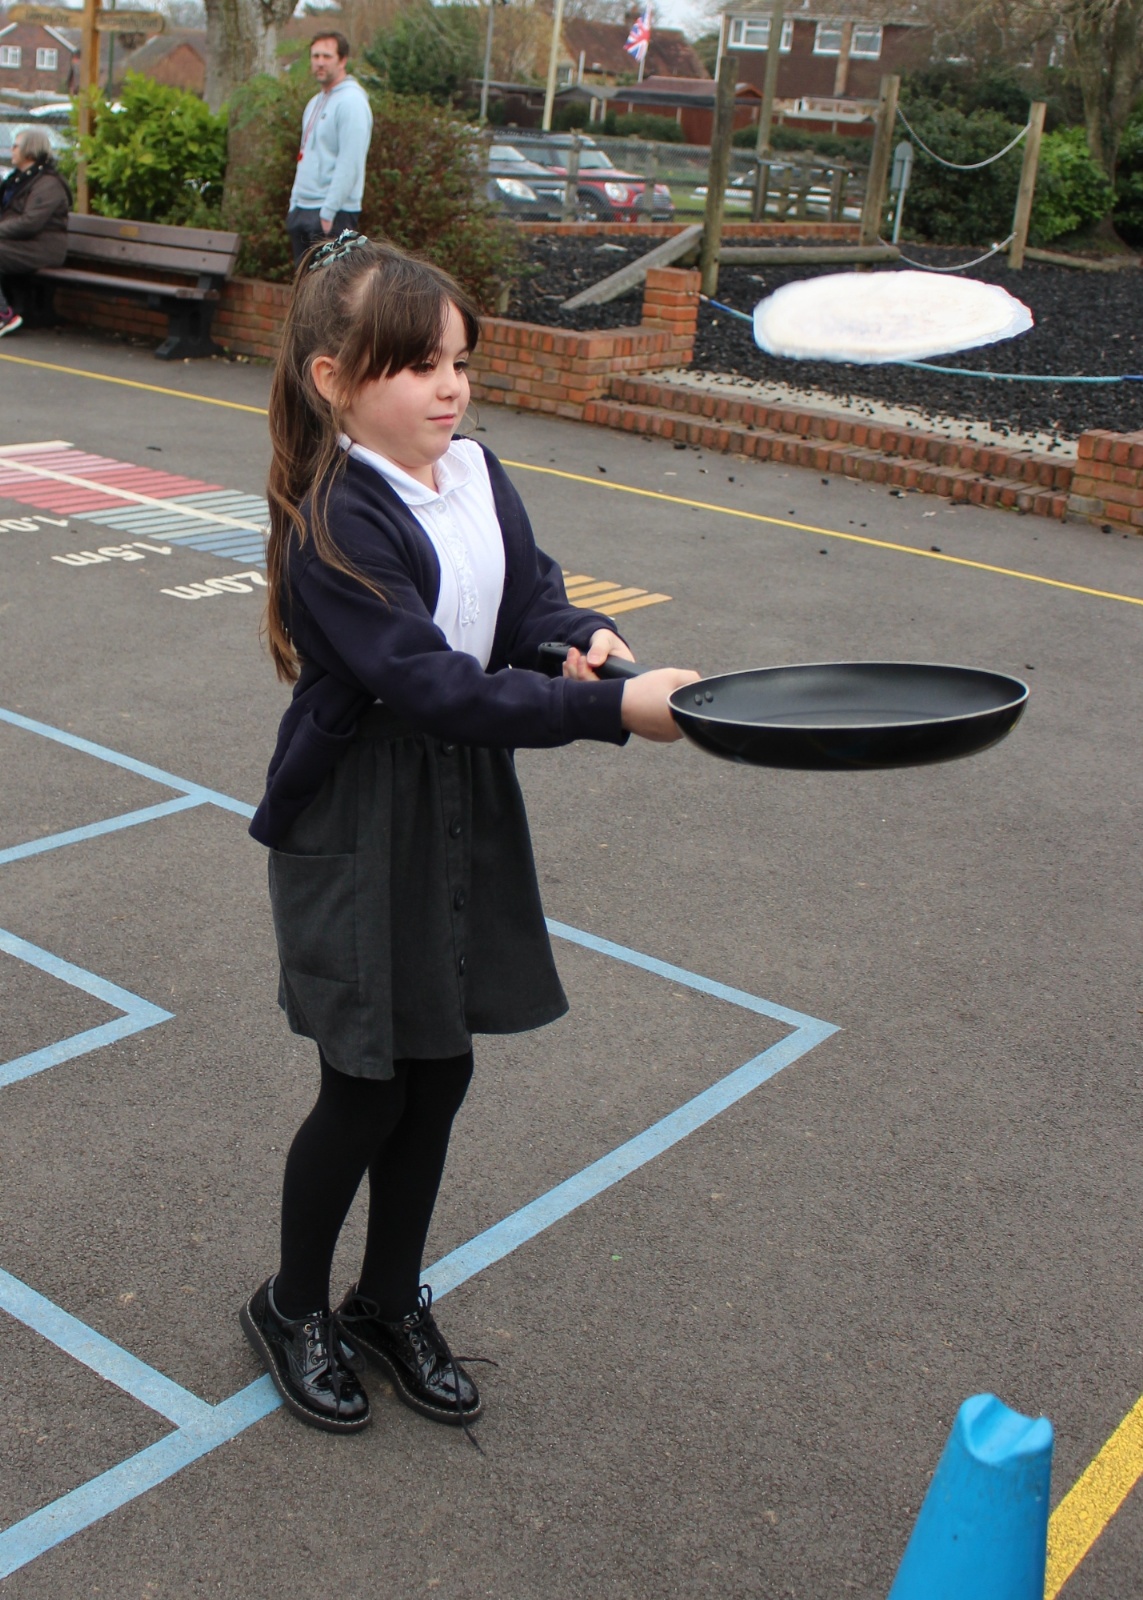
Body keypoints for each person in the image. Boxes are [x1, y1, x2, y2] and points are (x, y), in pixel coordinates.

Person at [241, 231, 699, 1435]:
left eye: (460, 362)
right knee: (365, 1084)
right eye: (419, 366)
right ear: (336, 379)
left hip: (460, 792)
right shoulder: (333, 524)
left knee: (440, 1071)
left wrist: (579, 639)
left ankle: (388, 1299)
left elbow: (526, 599)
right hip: (361, 809)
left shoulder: (476, 475)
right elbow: (432, 683)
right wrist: (612, 711)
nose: (451, 388)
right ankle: (292, 1305)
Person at [286, 33, 373, 268]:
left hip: (333, 214)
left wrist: (328, 213)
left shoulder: (352, 103)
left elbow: (350, 162)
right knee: (304, 285)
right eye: (315, 56)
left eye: (327, 56)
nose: (320, 62)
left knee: (330, 286)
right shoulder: (314, 102)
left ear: (342, 60)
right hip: (303, 208)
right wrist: (294, 204)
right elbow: (305, 155)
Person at [0, 126, 71, 338]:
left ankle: (4, 315)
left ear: (30, 151)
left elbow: (30, 223)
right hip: (19, 243)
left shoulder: (48, 183)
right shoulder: (17, 180)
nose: (11, 150)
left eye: (16, 146)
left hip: (42, 247)